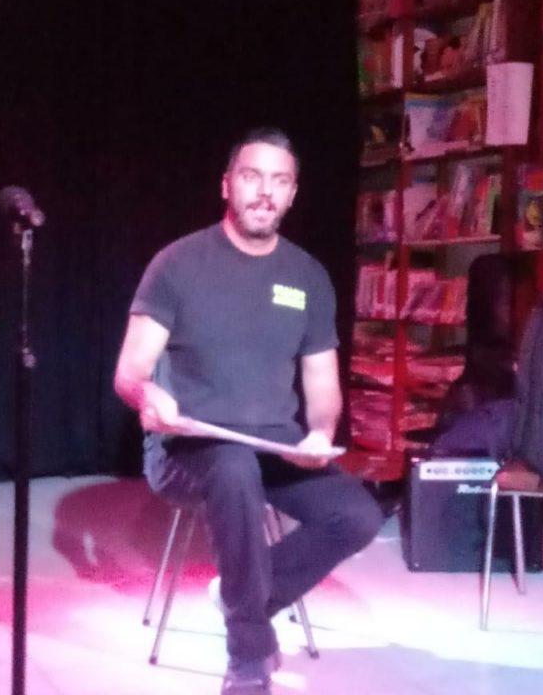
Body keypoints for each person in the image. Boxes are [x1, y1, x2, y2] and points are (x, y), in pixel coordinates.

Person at [114, 127, 383, 694]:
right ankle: (249, 654)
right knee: (233, 467)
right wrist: (147, 396)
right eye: (252, 176)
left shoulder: (307, 276)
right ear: (227, 185)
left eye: (279, 181)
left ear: (292, 194)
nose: (265, 192)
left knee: (358, 515)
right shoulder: (178, 264)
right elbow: (130, 373)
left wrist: (319, 433)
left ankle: (242, 597)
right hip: (187, 447)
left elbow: (322, 382)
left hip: (273, 445)